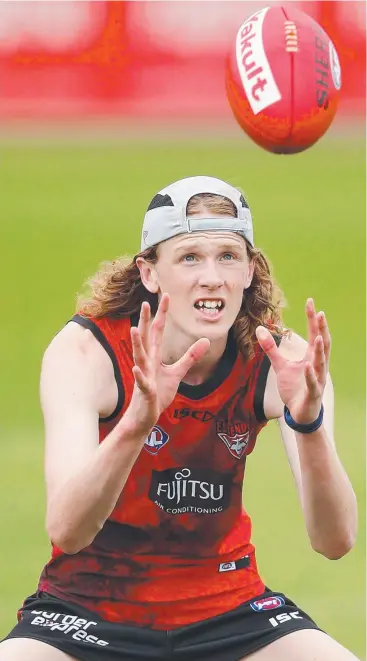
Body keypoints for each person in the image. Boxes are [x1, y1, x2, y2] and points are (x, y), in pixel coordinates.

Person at [0, 176, 358, 661]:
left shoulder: (283, 359)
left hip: (229, 607)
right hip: (85, 608)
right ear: (149, 273)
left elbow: (335, 541)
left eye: (228, 256)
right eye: (190, 257)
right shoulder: (88, 352)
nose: (212, 276)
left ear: (250, 271)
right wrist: (138, 420)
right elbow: (67, 530)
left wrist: (309, 424)